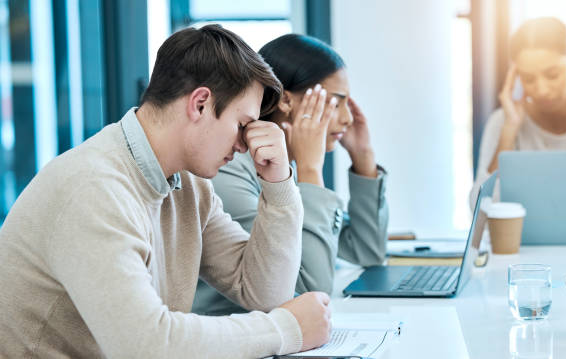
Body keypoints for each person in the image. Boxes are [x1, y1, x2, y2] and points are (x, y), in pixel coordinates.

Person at [0, 25, 332, 358]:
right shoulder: (93, 188)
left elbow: (264, 293)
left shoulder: (186, 184)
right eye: (242, 125)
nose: (245, 145)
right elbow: (146, 345)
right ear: (200, 104)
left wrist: (279, 183)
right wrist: (287, 330)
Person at [193, 34, 389, 316]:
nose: (346, 119)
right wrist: (311, 169)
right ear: (285, 100)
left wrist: (364, 159)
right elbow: (309, 288)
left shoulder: (284, 165)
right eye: (336, 103)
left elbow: (367, 251)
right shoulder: (230, 169)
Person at [470, 17, 566, 208]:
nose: (542, 89)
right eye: (528, 78)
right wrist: (509, 131)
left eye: (552, 75)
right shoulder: (503, 121)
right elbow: (480, 210)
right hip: (522, 240)